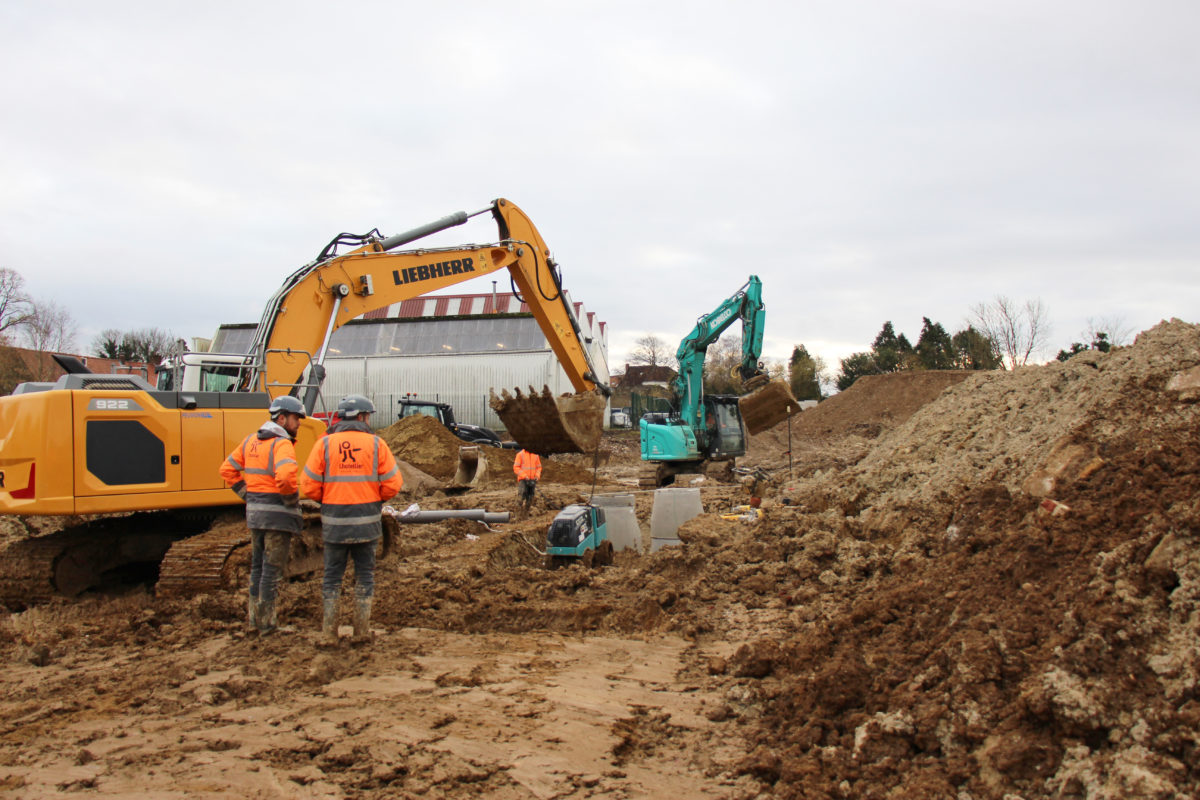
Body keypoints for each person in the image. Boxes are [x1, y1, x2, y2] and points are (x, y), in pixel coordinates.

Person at [300, 394, 402, 646]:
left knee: (332, 578)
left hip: (334, 523)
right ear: (361, 417)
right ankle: (361, 632)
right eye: (368, 416)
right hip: (367, 523)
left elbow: (308, 485)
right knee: (364, 576)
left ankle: (329, 633)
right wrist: (374, 500)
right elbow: (393, 484)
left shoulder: (324, 444)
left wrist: (328, 499)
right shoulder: (376, 444)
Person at [219, 394, 307, 636]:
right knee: (271, 570)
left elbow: (226, 469)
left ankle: (254, 621)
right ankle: (267, 624)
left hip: (255, 515)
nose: (298, 423)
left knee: (257, 568)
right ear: (281, 418)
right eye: (295, 418)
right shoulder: (282, 444)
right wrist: (290, 501)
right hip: (277, 517)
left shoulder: (250, 441)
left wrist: (248, 496)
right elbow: (287, 478)